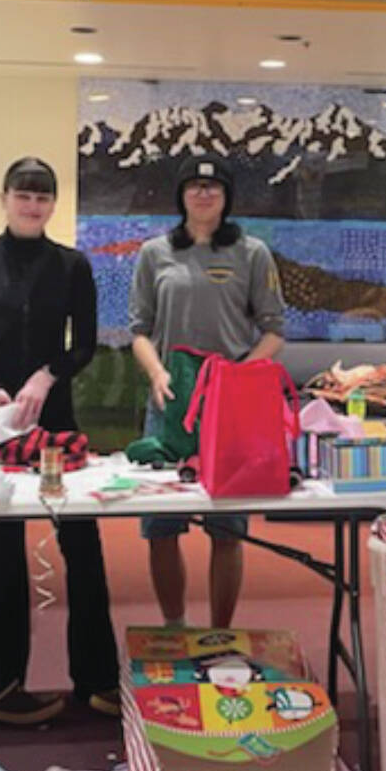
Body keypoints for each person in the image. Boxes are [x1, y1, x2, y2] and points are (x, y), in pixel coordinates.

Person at [0, 156, 120, 725]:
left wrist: (46, 375)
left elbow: (85, 344)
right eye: (23, 195)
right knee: (5, 550)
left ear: (53, 205)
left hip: (53, 417)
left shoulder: (72, 265)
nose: (33, 205)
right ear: (5, 198)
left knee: (82, 544)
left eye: (43, 197)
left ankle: (97, 679)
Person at [128, 153, 286, 629]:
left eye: (213, 188)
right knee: (161, 529)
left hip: (229, 407)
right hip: (170, 400)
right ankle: (174, 626)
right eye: (194, 186)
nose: (203, 194)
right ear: (181, 195)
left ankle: (221, 630)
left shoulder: (252, 253)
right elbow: (139, 329)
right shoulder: (155, 253)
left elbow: (274, 329)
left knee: (227, 530)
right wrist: (157, 374)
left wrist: (240, 380)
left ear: (226, 198)